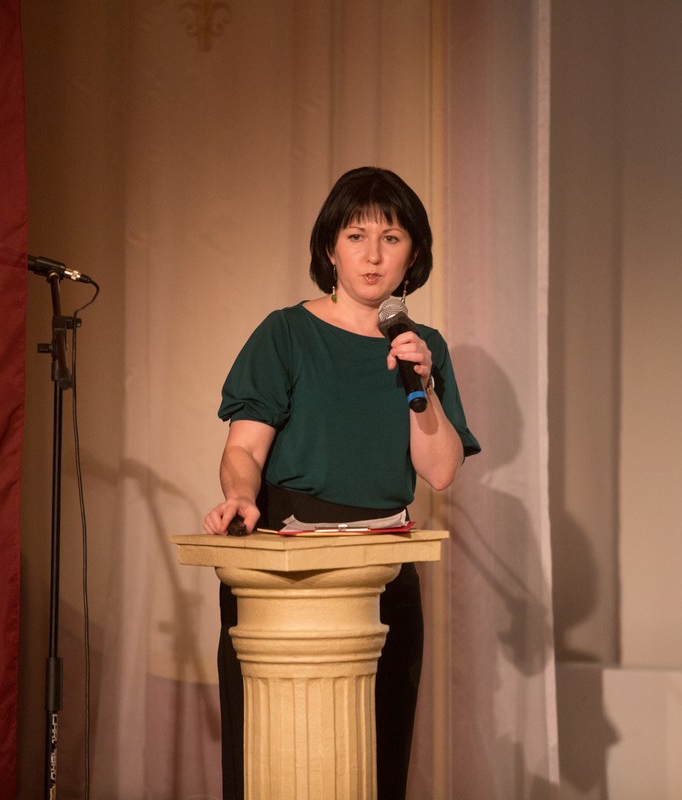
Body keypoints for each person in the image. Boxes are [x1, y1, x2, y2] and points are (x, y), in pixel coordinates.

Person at [203, 166, 481, 799]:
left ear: (413, 254)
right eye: (357, 236)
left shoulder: (423, 347)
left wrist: (424, 385)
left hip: (381, 569)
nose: (373, 255)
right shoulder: (286, 333)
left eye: (391, 237)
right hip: (288, 566)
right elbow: (243, 447)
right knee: (276, 760)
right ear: (330, 248)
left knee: (376, 759)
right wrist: (240, 495)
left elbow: (440, 471)